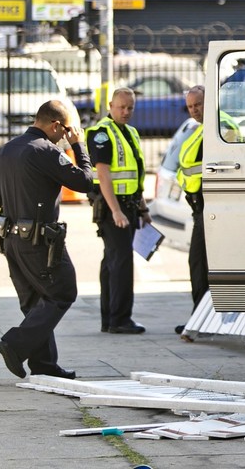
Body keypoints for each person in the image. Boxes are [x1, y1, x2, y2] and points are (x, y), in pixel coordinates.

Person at [0, 100, 94, 379]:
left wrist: (2, 234)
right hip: (40, 243)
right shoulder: (46, 151)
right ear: (55, 125)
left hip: (11, 239)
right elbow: (84, 181)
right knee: (62, 292)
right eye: (66, 130)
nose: (65, 136)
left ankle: (44, 366)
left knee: (34, 302)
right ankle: (14, 344)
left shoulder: (7, 149)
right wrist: (78, 146)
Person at [174, 86, 239, 334]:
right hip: (200, 205)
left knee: (200, 264)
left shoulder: (220, 126)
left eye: (198, 104)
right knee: (200, 264)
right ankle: (201, 319)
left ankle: (200, 321)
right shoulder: (204, 128)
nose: (194, 110)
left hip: (210, 205)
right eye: (190, 106)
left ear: (209, 101)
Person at [86, 87, 150, 335]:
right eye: (121, 107)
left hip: (129, 204)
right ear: (111, 106)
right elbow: (103, 175)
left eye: (130, 107)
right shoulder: (102, 133)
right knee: (121, 262)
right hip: (114, 207)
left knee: (112, 262)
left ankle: (110, 319)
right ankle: (120, 319)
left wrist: (143, 208)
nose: (126, 111)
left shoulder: (130, 132)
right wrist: (116, 211)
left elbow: (134, 175)